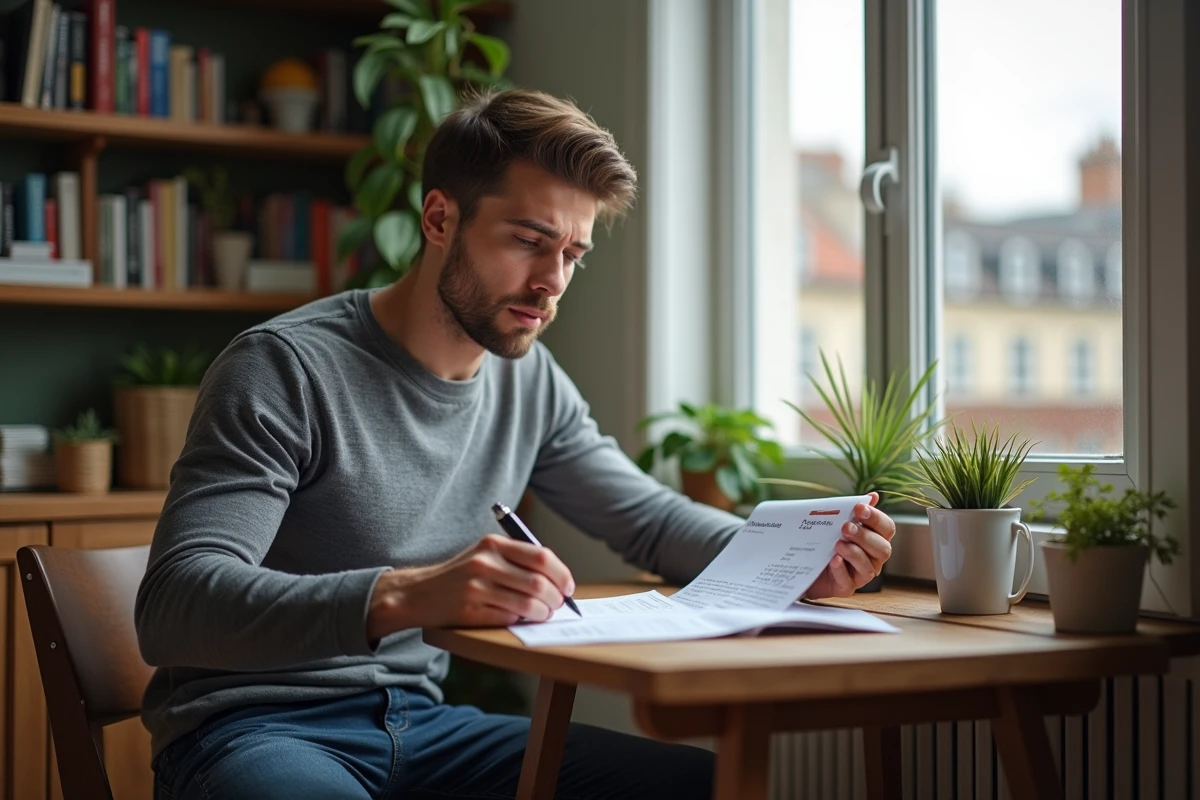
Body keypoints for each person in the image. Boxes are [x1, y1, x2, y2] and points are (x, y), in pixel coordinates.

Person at [136, 88, 896, 800]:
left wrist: (793, 563)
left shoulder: (529, 381)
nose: (552, 282)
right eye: (529, 242)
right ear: (440, 219)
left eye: (571, 254)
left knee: (706, 787)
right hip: (252, 727)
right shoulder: (283, 368)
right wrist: (401, 594)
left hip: (423, 724)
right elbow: (173, 605)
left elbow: (649, 521)